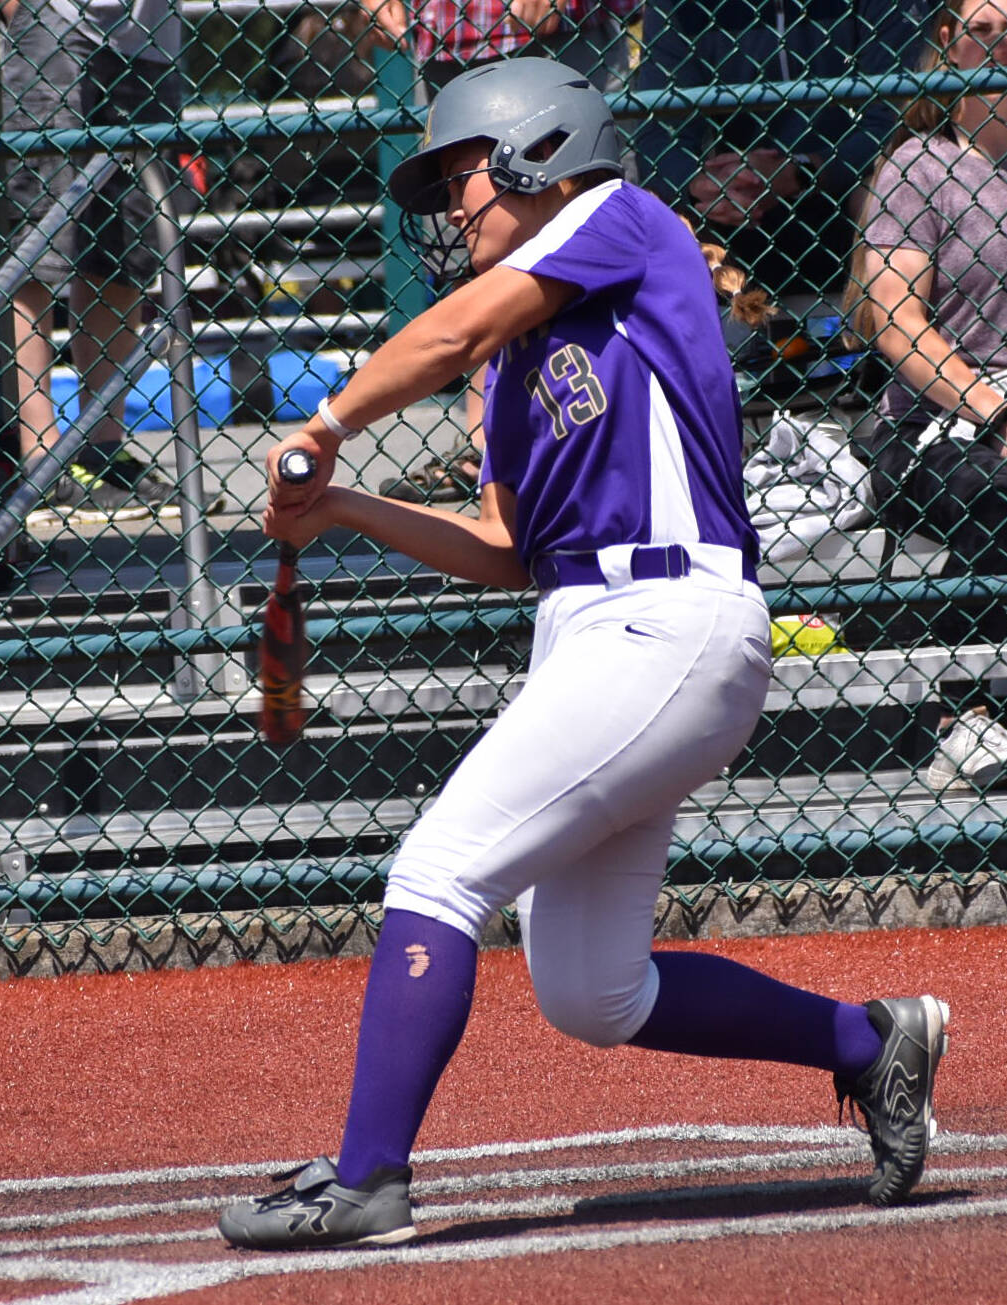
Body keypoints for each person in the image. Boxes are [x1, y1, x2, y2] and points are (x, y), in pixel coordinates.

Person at [218, 60, 948, 1250]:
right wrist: (343, 508)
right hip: (588, 635)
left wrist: (327, 422)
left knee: (440, 871)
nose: (451, 208)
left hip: (668, 616)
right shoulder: (511, 368)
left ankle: (366, 1180)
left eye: (461, 175)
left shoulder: (619, 218)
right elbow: (508, 546)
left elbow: (453, 328)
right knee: (592, 992)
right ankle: (871, 1043)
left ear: (534, 150)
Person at [361, 0, 639, 506]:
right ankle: (486, 447)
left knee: (585, 228)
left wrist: (334, 422)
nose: (450, 212)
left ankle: (610, 425)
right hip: (451, 32)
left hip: (566, 37)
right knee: (475, 253)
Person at [846, 0, 1007, 791]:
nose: (1002, 41)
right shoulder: (921, 165)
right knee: (993, 478)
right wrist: (995, 408)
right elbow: (896, 325)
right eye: (983, 28)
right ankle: (964, 711)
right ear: (946, 39)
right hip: (938, 416)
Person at [1, 0, 215, 524]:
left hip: (150, 39)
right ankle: (39, 459)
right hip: (57, 23)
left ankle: (102, 451)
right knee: (38, 248)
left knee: (126, 250)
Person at [634, 0, 932, 304]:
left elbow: (897, 120)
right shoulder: (681, 8)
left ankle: (894, 327)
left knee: (891, 190)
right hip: (735, 200)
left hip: (847, 189)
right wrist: (704, 185)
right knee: (657, 208)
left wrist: (802, 170)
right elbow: (658, 135)